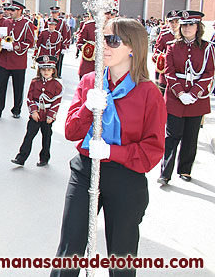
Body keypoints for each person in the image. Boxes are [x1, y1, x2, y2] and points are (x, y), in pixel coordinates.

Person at [51, 18, 165, 277]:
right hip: (85, 170)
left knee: (122, 254)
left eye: (113, 40)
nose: (104, 45)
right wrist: (86, 109)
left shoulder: (149, 93)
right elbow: (71, 131)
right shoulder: (90, 80)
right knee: (70, 247)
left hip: (126, 176)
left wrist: (113, 152)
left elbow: (152, 152)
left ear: (132, 47)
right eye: (103, 38)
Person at [158, 10, 214, 185]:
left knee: (191, 137)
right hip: (176, 97)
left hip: (197, 98)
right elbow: (169, 72)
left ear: (198, 27)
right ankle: (165, 173)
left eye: (191, 25)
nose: (187, 28)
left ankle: (185, 170)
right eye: (184, 25)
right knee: (171, 136)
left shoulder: (207, 48)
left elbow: (209, 72)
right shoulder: (173, 47)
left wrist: (194, 92)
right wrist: (181, 93)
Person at [11, 55, 62, 166]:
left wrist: (51, 115)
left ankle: (44, 158)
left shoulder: (57, 85)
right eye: (43, 69)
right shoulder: (35, 82)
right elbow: (30, 98)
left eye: (49, 69)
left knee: (46, 137)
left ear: (53, 70)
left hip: (47, 115)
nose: (46, 72)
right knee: (29, 136)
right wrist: (33, 111)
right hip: (36, 115)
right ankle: (21, 158)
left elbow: (57, 101)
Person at [0, 0, 35, 119]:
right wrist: (1, 43)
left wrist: (15, 46)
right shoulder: (5, 22)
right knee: (0, 85)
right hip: (4, 60)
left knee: (18, 87)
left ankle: (16, 109)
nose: (10, 12)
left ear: (20, 11)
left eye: (13, 10)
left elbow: (30, 42)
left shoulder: (27, 23)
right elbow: (1, 36)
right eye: (9, 10)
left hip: (18, 61)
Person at [151, 10, 180, 93]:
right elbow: (157, 51)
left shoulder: (184, 35)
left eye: (176, 22)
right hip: (165, 71)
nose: (174, 24)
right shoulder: (164, 35)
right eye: (171, 22)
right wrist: (161, 58)